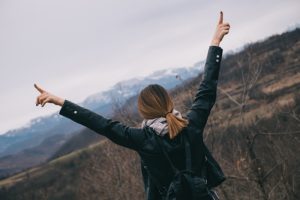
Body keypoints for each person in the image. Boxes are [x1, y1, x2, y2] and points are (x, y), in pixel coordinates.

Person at [34, 11, 230, 200]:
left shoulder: (142, 139)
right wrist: (215, 43)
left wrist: (60, 102)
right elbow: (207, 90)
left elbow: (101, 124)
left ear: (144, 111)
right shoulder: (191, 125)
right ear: (169, 102)